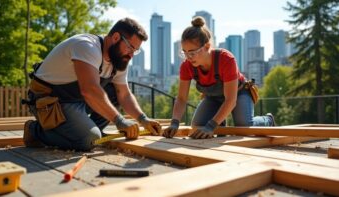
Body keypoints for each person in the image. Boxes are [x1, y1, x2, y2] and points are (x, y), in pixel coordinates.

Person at [23, 18, 162, 151]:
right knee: (89, 140)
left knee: (113, 91)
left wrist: (143, 119)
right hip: (51, 102)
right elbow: (89, 90)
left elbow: (124, 95)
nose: (131, 55)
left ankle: (95, 130)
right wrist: (119, 120)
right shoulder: (87, 46)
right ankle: (34, 131)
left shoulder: (119, 60)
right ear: (115, 38)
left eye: (135, 51)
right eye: (130, 48)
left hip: (77, 100)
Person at [163, 16, 275, 139]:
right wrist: (175, 123)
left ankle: (268, 120)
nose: (188, 57)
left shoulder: (226, 59)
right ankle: (220, 125)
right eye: (184, 52)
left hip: (238, 94)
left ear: (206, 46)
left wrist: (211, 125)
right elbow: (181, 98)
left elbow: (230, 100)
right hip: (214, 98)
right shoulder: (186, 66)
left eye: (192, 52)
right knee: (197, 126)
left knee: (244, 127)